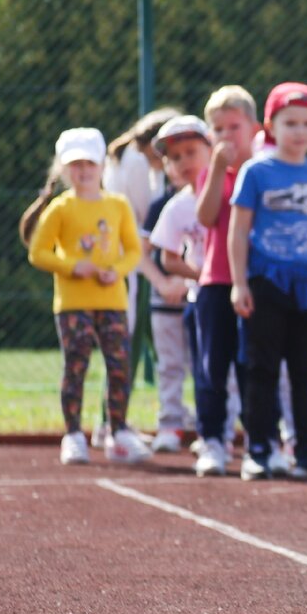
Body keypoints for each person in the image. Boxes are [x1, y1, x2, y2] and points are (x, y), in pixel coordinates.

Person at [229, 82, 307, 480]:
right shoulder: (256, 171)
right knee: (262, 367)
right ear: (270, 125)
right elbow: (239, 230)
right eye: (289, 122)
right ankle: (259, 448)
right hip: (267, 282)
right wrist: (240, 282)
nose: (299, 131)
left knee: (305, 371)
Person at [27, 127, 153, 466]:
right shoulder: (60, 208)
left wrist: (119, 270)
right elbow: (38, 253)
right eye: (75, 165)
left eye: (89, 163)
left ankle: (119, 431)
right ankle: (73, 435)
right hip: (72, 303)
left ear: (101, 165)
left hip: (112, 301)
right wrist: (71, 266)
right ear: (65, 169)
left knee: (120, 366)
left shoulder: (117, 205)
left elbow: (132, 250)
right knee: (76, 364)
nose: (83, 171)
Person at [92, 107, 180, 447]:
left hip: (132, 265)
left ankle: (125, 418)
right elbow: (143, 227)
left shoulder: (130, 158)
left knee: (149, 344)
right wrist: (157, 277)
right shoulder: (136, 162)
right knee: (123, 343)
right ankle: (110, 422)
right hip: (131, 268)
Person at [192, 85, 261, 476]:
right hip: (216, 280)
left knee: (253, 365)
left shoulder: (266, 170)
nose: (225, 136)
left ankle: (259, 439)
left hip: (255, 281)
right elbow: (205, 217)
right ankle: (213, 439)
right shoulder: (210, 173)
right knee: (212, 366)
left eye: (233, 127)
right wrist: (218, 168)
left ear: (253, 127)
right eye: (217, 130)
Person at [143, 115, 211, 452]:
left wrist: (197, 280)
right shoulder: (163, 206)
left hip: (205, 297)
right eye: (174, 157)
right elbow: (144, 253)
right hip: (165, 300)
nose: (183, 162)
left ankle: (208, 426)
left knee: (208, 365)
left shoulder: (224, 196)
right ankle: (170, 423)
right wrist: (163, 281)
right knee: (169, 365)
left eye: (190, 152)